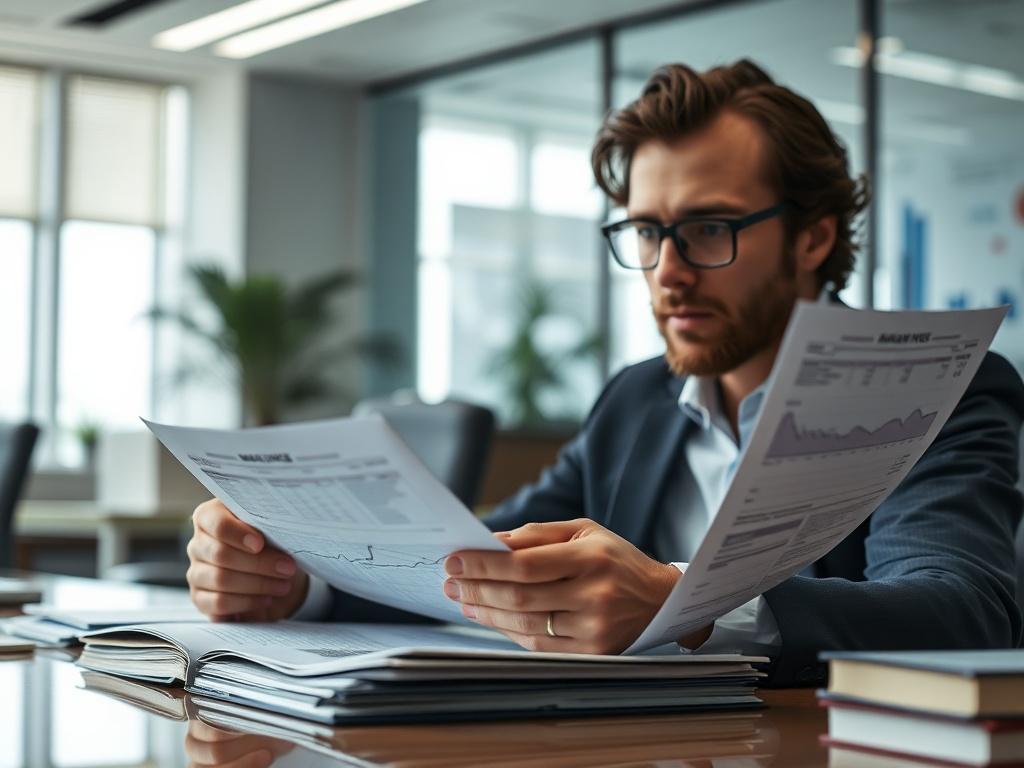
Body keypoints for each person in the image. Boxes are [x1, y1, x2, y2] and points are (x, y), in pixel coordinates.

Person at [185, 60, 1024, 686]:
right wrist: (295, 582)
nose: (668, 271)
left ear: (812, 238)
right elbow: (470, 565)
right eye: (649, 233)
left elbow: (966, 611)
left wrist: (680, 606)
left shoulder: (937, 386)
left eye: (709, 230)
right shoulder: (639, 399)